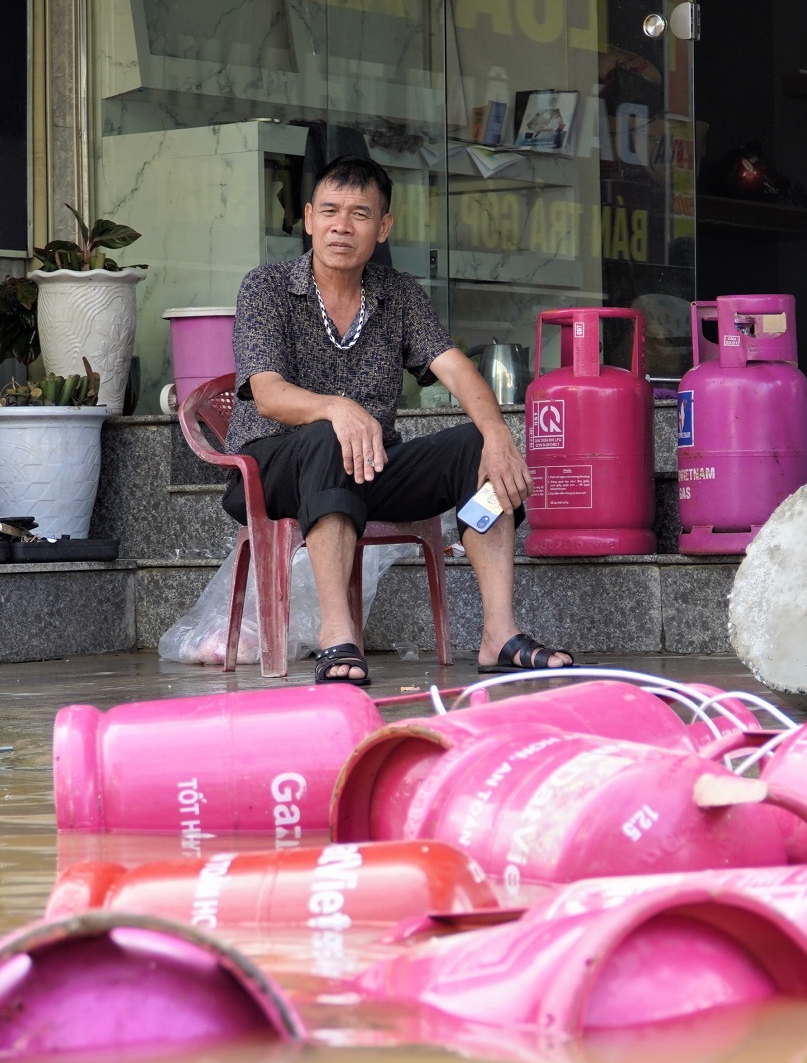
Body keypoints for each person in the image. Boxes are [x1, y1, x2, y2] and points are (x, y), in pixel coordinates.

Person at [225, 154, 574, 685]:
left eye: (360, 214)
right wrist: (336, 407)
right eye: (330, 211)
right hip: (274, 467)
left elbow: (456, 370)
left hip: (371, 468)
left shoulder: (399, 295)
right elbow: (269, 395)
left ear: (383, 227)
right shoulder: (268, 287)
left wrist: (498, 434)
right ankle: (337, 636)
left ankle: (498, 633)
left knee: (474, 449)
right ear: (309, 218)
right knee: (326, 435)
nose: (342, 225)